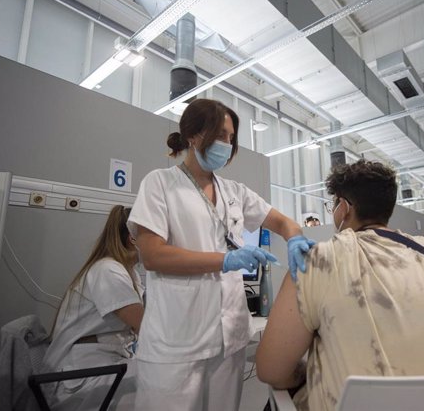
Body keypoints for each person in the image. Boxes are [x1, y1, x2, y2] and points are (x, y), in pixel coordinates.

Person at [256, 160, 424, 411]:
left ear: (343, 208)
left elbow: (271, 369)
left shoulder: (317, 261)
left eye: (333, 205)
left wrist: (307, 373)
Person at [127, 98, 315, 411]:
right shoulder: (160, 184)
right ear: (193, 135)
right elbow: (153, 256)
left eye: (231, 138)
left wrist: (295, 238)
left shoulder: (234, 192)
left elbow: (283, 222)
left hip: (229, 340)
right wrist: (225, 261)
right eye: (220, 136)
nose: (227, 144)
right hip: (176, 342)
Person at [42, 205, 144, 410]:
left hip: (101, 364)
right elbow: (146, 326)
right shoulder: (108, 271)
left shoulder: (127, 272)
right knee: (164, 386)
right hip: (80, 377)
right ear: (132, 239)